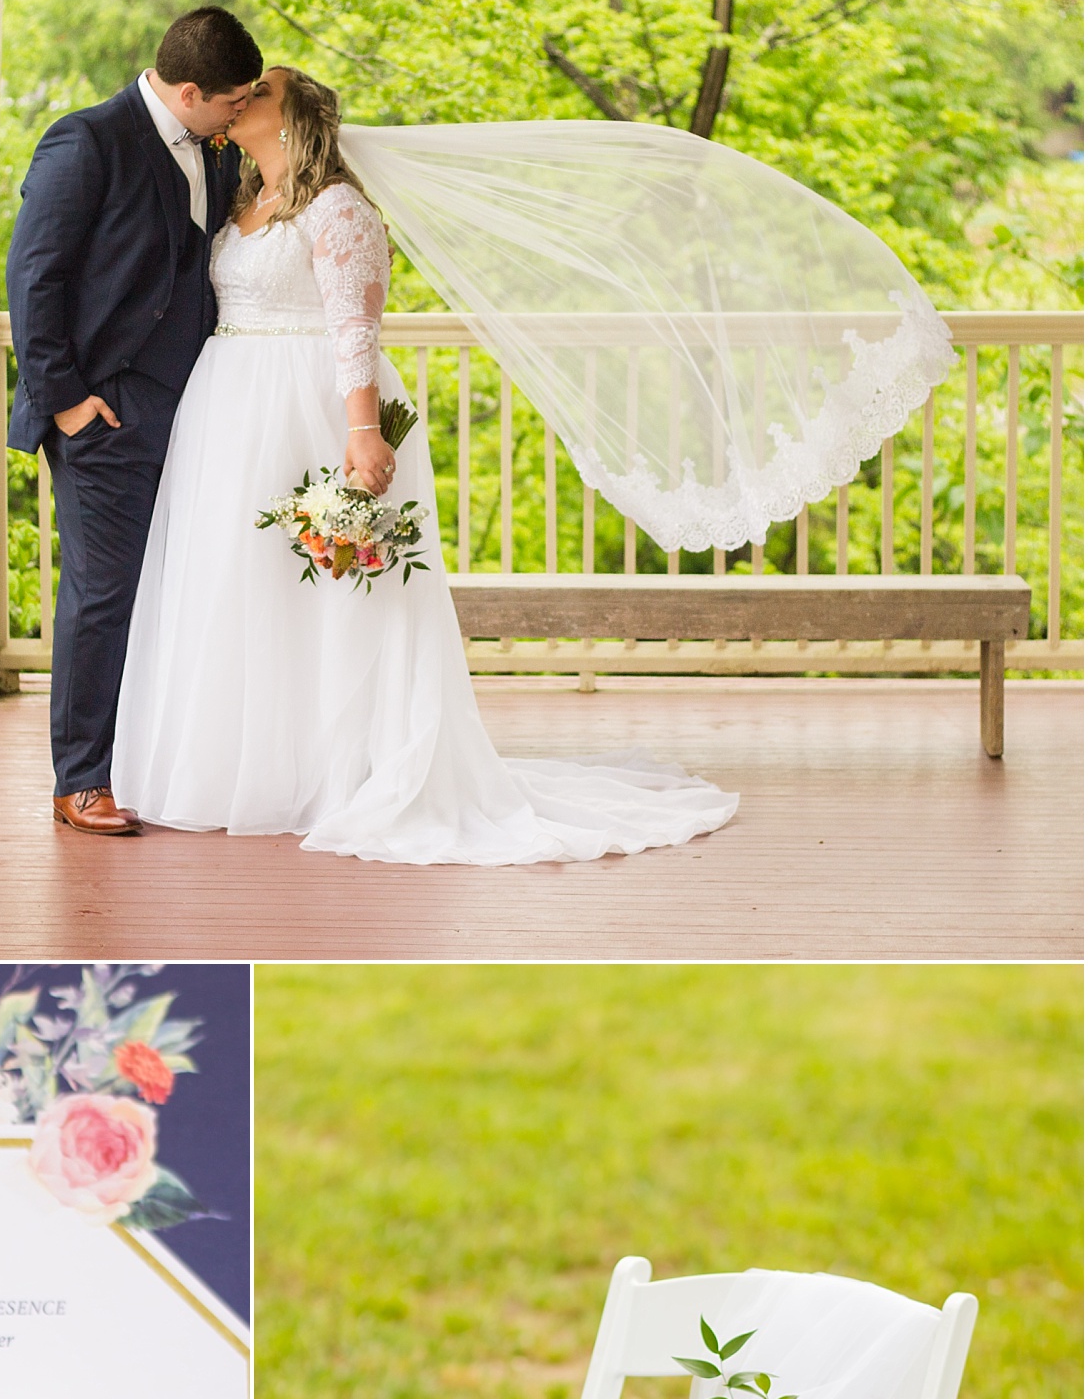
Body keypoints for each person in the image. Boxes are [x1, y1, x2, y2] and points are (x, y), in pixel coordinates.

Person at [111, 67, 739, 865]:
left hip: (310, 408)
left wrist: (364, 432)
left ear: (293, 118)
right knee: (242, 586)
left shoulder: (338, 209)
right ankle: (249, 766)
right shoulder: (237, 205)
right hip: (227, 414)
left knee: (335, 591)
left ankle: (346, 767)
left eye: (259, 92)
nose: (240, 100)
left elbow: (354, 326)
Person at [5, 7, 261, 835]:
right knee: (104, 596)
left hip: (194, 414)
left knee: (174, 592)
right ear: (190, 92)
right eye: (233, 102)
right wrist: (69, 403)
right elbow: (32, 280)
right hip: (105, 413)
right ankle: (81, 780)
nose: (240, 115)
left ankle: (149, 760)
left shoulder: (214, 149)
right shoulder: (86, 142)